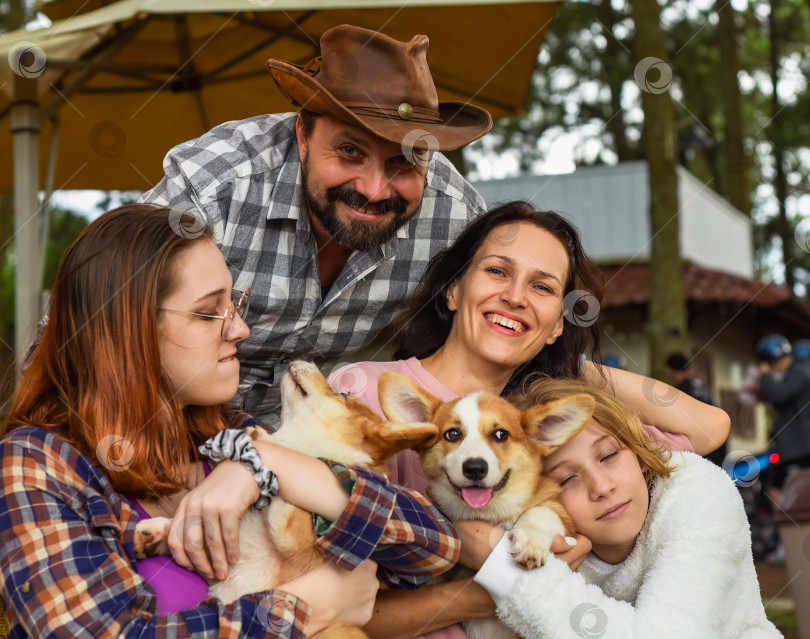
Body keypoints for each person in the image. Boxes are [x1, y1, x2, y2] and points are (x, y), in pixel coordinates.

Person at [0, 204, 460, 637]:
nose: (239, 328)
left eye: (234, 302)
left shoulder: (226, 438)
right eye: (208, 312)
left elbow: (434, 547)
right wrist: (308, 604)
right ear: (126, 328)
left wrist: (260, 462)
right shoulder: (37, 464)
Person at [328, 201, 731, 638]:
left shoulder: (538, 417)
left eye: (542, 288)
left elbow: (708, 428)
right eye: (498, 271)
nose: (516, 297)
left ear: (559, 320)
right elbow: (324, 605)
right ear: (454, 290)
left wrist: (560, 356)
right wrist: (495, 587)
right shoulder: (366, 392)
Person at [138, 24, 493, 428]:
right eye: (349, 151)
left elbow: (506, 341)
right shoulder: (212, 187)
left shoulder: (458, 219)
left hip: (310, 447)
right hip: (155, 425)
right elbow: (90, 327)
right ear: (302, 135)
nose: (375, 190)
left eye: (404, 161)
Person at [472, 376, 781, 639]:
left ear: (636, 448)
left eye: (609, 455)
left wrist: (507, 572)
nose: (602, 487)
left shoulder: (699, 494)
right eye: (567, 479)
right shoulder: (540, 530)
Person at [756, 334, 810, 497]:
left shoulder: (800, 372)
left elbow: (778, 394)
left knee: (775, 483)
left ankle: (786, 520)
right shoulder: (802, 371)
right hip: (801, 446)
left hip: (799, 448)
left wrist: (765, 376)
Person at [665, 352, 724, 466]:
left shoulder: (681, 390)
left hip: (701, 439)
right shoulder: (700, 385)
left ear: (671, 370)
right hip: (719, 437)